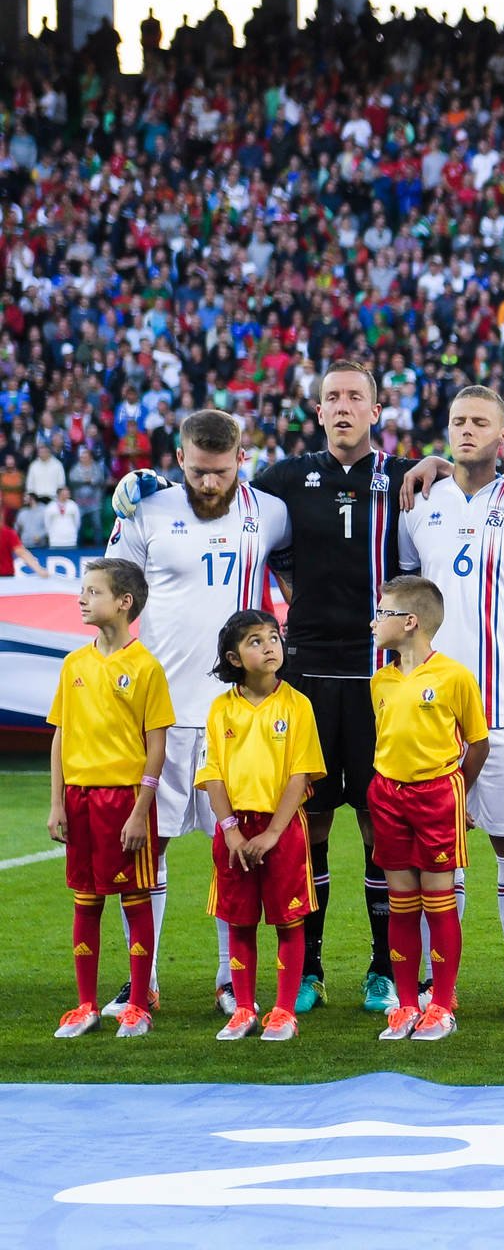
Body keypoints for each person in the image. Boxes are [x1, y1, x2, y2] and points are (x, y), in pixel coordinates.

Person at [113, 360, 504, 1017]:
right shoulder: (283, 483)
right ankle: (310, 968)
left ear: (376, 410)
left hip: (383, 680)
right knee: (307, 827)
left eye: (356, 397)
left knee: (385, 827)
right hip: (307, 676)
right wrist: (146, 485)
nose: (344, 407)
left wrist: (441, 456)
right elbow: (220, 495)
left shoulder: (409, 480)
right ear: (318, 411)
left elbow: (422, 551)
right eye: (332, 399)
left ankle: (384, 970)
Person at [101, 408, 291, 1020]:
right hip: (156, 716)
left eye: (221, 472)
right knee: (146, 853)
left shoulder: (271, 512)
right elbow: (112, 595)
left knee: (230, 852)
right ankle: (142, 980)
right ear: (179, 460)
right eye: (199, 472)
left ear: (242, 459)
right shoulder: (146, 511)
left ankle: (229, 979)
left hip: (233, 721)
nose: (210, 484)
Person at [399, 385, 504, 1021]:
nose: (467, 431)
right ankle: (432, 981)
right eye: (458, 421)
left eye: (481, 423)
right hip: (432, 710)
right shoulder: (420, 505)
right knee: (437, 849)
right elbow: (402, 599)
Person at [46, 558, 173, 1039]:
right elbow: (60, 736)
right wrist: (57, 802)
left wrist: (142, 809)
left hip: (124, 803)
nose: (82, 599)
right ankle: (85, 1005)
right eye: (82, 591)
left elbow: (156, 744)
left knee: (135, 900)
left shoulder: (146, 668)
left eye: (93, 592)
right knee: (85, 901)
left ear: (124, 602)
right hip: (79, 800)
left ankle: (139, 1004)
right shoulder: (74, 664)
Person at [365, 576, 490, 1042]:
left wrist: (458, 792)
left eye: (383, 613)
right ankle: (405, 1005)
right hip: (388, 795)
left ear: (410, 621)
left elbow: (478, 744)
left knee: (438, 903)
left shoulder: (454, 676)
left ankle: (441, 1004)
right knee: (400, 904)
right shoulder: (381, 679)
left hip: (437, 795)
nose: (375, 622)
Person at [196, 610, 327, 1042]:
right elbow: (212, 773)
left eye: (274, 637)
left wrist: (272, 833)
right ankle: (245, 1009)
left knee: (289, 922)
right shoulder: (220, 709)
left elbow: (300, 774)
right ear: (234, 658)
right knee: (240, 922)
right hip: (235, 832)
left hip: (282, 829)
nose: (270, 645)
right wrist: (231, 829)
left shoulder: (297, 704)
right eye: (256, 641)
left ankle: (284, 1011)